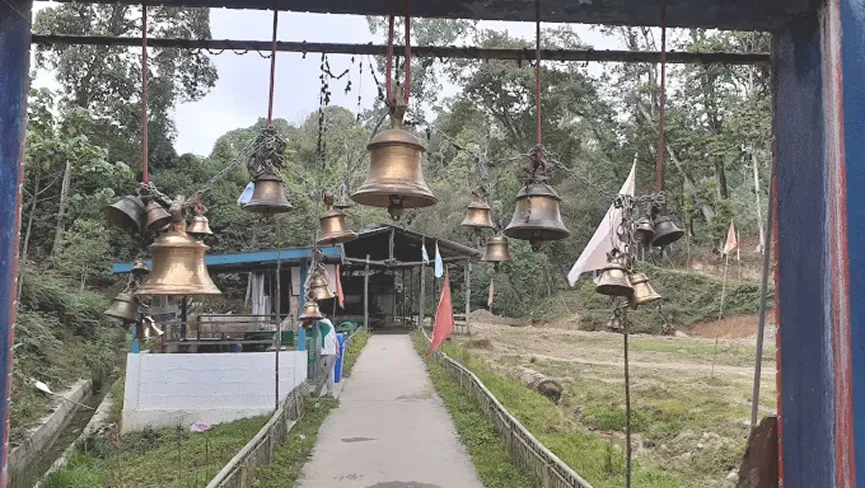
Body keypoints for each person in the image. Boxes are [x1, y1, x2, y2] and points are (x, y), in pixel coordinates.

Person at [312, 315, 339, 398]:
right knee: (328, 374)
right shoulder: (330, 326)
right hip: (330, 353)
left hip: (327, 354)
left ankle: (316, 394)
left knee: (322, 374)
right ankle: (329, 393)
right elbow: (336, 340)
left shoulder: (325, 323)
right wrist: (337, 351)